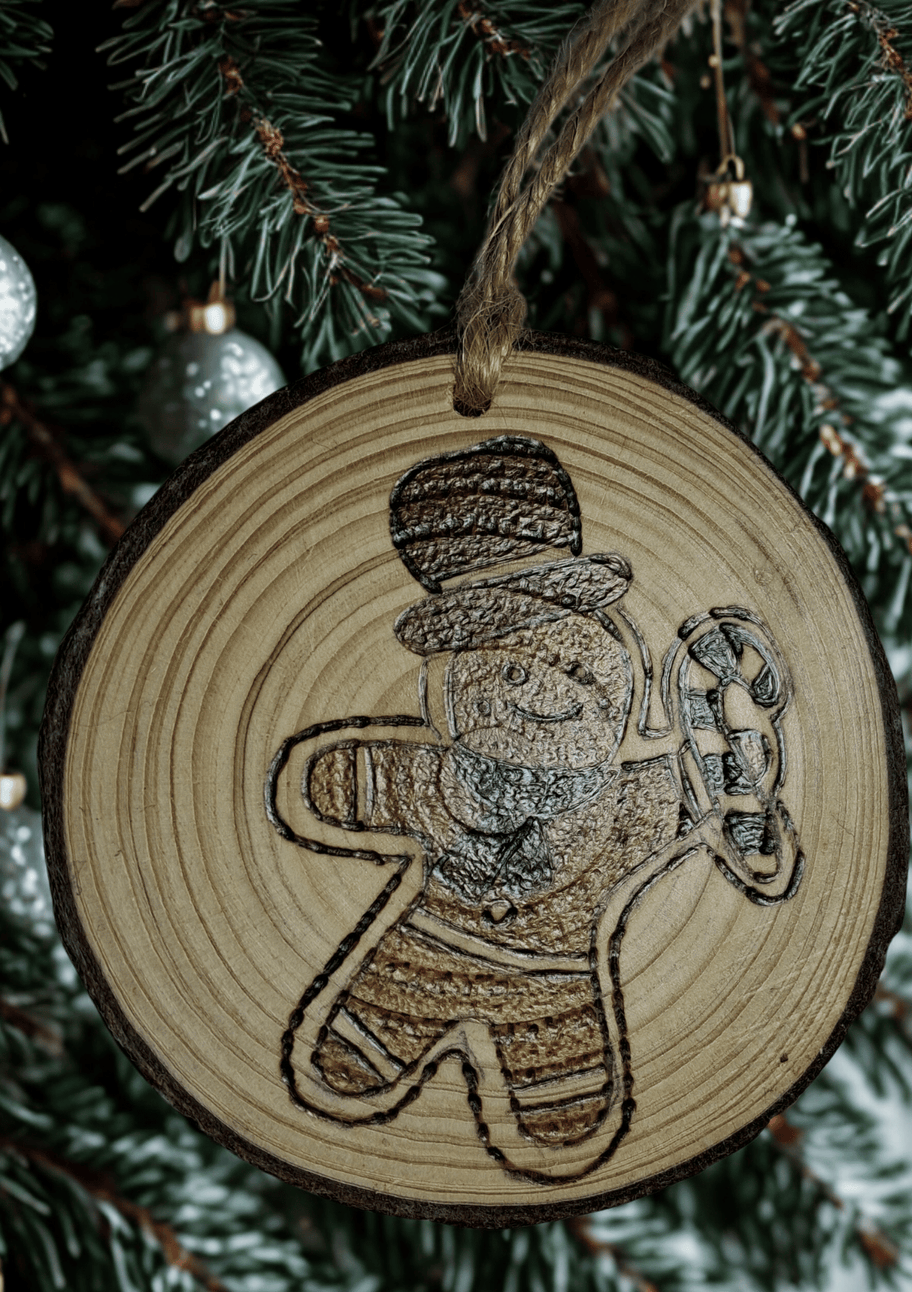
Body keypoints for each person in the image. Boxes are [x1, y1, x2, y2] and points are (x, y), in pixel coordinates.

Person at [266, 435, 802, 1182]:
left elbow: (699, 795)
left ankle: (549, 1087)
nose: (539, 695)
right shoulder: (438, 781)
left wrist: (729, 764)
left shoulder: (621, 804)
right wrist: (335, 778)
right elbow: (338, 781)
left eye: (576, 671)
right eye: (509, 671)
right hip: (416, 958)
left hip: (556, 987)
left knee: (562, 1105)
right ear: (456, 688)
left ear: (615, 675)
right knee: (352, 1059)